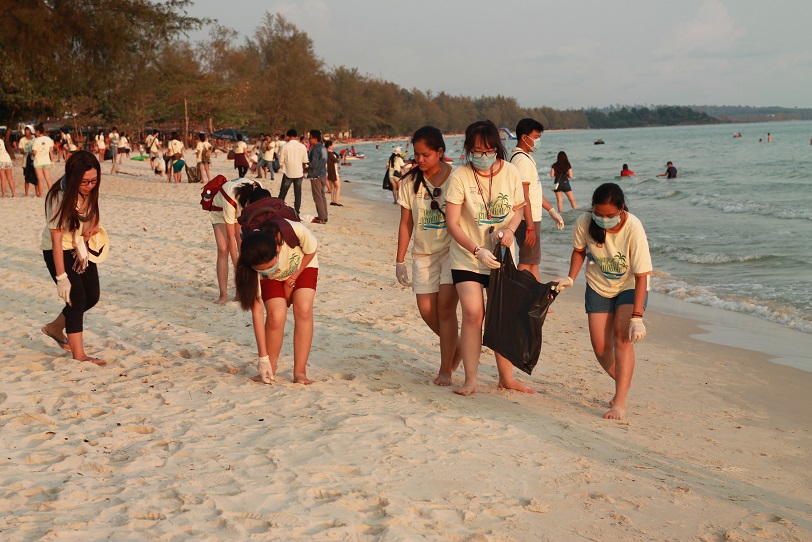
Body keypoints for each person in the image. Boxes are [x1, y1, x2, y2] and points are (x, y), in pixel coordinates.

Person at [444, 120, 533, 396]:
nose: (482, 156)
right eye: (477, 151)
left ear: (497, 148)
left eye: (488, 150)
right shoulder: (459, 176)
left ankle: (506, 377)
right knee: (473, 313)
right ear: (468, 149)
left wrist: (509, 230)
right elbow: (453, 224)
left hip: (501, 256)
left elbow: (518, 210)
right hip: (468, 256)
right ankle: (471, 379)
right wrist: (476, 250)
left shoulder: (510, 172)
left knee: (502, 315)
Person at [554, 183, 652, 420]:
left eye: (609, 215)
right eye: (598, 214)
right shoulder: (585, 222)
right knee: (600, 349)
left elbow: (642, 276)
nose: (603, 219)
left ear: (621, 209)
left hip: (629, 286)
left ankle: (619, 402)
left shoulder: (633, 227)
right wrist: (570, 277)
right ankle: (624, 383)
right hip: (599, 285)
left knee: (622, 336)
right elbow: (579, 251)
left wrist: (637, 318)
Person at [396, 126, 461, 386]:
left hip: (452, 251)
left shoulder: (457, 177)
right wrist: (399, 260)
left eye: (426, 155)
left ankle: (446, 369)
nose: (420, 160)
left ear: (440, 152)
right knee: (426, 311)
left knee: (445, 308)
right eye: (417, 155)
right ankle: (457, 347)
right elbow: (405, 224)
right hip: (422, 254)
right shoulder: (409, 183)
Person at [235, 196, 319, 385]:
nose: (268, 271)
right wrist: (262, 359)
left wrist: (292, 278)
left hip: (302, 265)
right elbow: (257, 311)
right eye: (262, 270)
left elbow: (312, 250)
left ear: (278, 249)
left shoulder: (295, 230)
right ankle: (270, 368)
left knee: (303, 308)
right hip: (274, 278)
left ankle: (300, 372)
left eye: (270, 266)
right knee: (275, 315)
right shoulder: (250, 258)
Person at [40, 150, 106, 366]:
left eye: (94, 181)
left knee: (92, 296)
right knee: (76, 298)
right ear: (73, 177)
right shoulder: (58, 197)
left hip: (80, 246)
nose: (90, 186)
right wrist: (61, 277)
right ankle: (79, 355)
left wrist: (93, 226)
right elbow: (57, 241)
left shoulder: (91, 190)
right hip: (57, 250)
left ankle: (55, 327)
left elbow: (93, 214)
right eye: (85, 181)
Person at [510, 118, 564, 280]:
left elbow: (534, 192)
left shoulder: (524, 158)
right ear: (524, 137)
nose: (538, 141)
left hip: (531, 218)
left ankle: (538, 303)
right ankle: (519, 298)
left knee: (533, 262)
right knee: (527, 261)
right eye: (535, 136)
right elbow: (524, 195)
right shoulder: (522, 160)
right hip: (528, 219)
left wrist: (551, 210)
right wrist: (530, 227)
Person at [209, 178, 257, 304]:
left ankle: (239, 294)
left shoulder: (257, 189)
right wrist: (238, 266)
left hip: (241, 211)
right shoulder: (230, 200)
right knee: (223, 249)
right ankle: (223, 295)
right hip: (220, 211)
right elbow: (231, 238)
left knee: (243, 248)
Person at [277, 128, 309, 216]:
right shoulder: (302, 146)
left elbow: (281, 160)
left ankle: (278, 209)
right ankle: (297, 212)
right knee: (298, 193)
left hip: (288, 172)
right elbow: (305, 161)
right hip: (299, 173)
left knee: (283, 192)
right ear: (296, 136)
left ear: (288, 137)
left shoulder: (285, 146)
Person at [307, 130, 328, 224]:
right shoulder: (323, 147)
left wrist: (307, 163)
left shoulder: (316, 149)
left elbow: (314, 164)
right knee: (322, 196)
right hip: (323, 174)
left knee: (318, 197)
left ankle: (321, 217)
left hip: (316, 175)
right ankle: (324, 215)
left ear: (315, 138)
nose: (309, 140)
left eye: (310, 138)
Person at [32, 124, 55, 196]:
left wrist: (31, 154)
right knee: (48, 179)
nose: (35, 133)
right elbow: (51, 151)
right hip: (46, 161)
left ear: (38, 131)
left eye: (35, 131)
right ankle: (51, 193)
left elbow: (34, 152)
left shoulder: (36, 140)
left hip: (38, 162)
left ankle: (41, 194)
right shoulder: (48, 139)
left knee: (40, 179)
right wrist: (52, 161)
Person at [20, 125, 37, 196]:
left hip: (35, 160)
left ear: (31, 131)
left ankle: (37, 193)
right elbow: (21, 150)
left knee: (36, 177)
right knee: (26, 178)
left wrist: (33, 153)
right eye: (25, 130)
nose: (26, 131)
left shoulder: (35, 139)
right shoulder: (22, 140)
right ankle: (26, 193)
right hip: (25, 160)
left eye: (28, 130)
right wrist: (26, 152)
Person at [325, 140, 343, 206]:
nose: (333, 146)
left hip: (329, 171)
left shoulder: (327, 153)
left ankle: (333, 201)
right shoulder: (330, 154)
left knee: (332, 187)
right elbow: (336, 160)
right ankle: (336, 201)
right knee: (338, 186)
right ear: (329, 146)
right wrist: (339, 158)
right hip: (333, 172)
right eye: (332, 145)